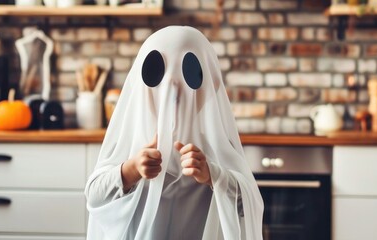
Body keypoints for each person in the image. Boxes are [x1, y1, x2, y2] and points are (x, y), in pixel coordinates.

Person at [84, 26, 263, 240]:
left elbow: (249, 204)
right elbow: (94, 196)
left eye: (189, 73)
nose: (172, 86)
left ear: (209, 87)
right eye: (157, 74)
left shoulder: (212, 151)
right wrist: (131, 169)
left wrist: (211, 175)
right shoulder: (130, 146)